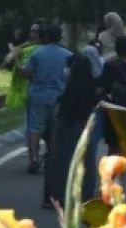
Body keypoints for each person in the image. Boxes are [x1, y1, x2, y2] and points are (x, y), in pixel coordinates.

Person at [45, 47, 104, 210]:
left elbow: (63, 107)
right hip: (86, 126)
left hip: (68, 127)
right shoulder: (91, 88)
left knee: (61, 162)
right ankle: (86, 196)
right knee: (87, 163)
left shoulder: (69, 89)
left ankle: (56, 196)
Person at [23, 24, 73, 174]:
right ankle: (52, 159)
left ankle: (33, 159)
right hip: (59, 97)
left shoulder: (37, 53)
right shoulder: (68, 55)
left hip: (38, 96)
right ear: (60, 37)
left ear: (45, 37)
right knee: (55, 130)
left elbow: (28, 73)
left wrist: (22, 72)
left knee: (35, 128)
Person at [5, 22, 43, 109]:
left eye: (35, 31)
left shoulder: (24, 50)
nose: (32, 33)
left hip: (23, 87)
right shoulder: (46, 49)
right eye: (32, 31)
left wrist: (18, 48)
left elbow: (8, 60)